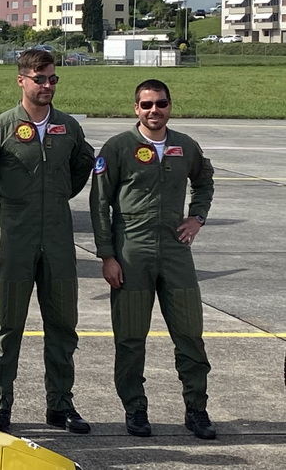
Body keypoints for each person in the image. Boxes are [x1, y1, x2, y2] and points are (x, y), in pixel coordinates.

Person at [89, 79, 216, 440]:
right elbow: (99, 204)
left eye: (160, 104)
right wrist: (107, 255)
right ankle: (135, 409)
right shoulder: (117, 148)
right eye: (146, 105)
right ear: (136, 109)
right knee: (130, 338)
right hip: (132, 250)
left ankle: (196, 410)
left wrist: (198, 217)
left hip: (175, 252)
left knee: (190, 335)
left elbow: (205, 181)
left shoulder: (184, 146)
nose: (154, 111)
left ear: (169, 106)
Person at [0, 48, 94, 434]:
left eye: (52, 79)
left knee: (62, 324)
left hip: (58, 236)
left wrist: (59, 194)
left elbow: (82, 164)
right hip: (14, 236)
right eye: (39, 78)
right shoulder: (0, 127)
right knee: (7, 325)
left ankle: (60, 405)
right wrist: (0, 198)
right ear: (21, 80)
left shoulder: (68, 127)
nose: (47, 86)